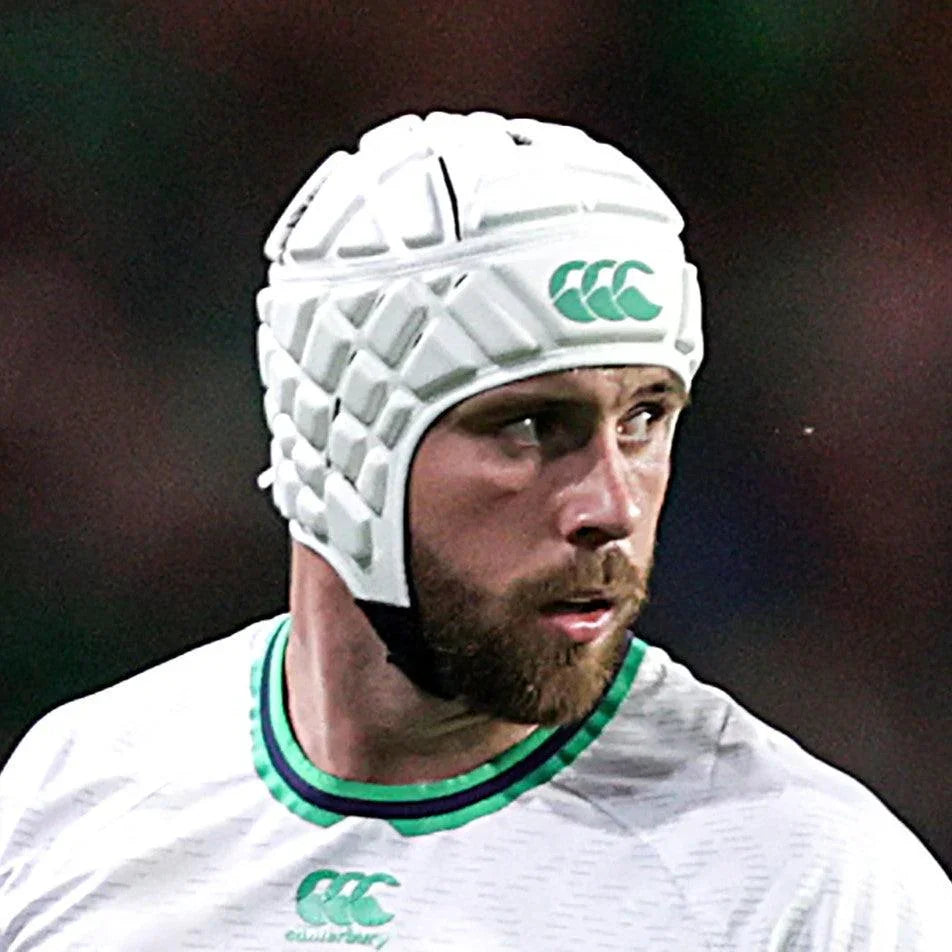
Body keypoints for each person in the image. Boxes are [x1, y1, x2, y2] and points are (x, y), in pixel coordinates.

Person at [0, 112, 947, 951]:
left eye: (644, 419)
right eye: (531, 426)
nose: (612, 507)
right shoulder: (72, 796)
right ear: (342, 443)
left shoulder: (810, 888)